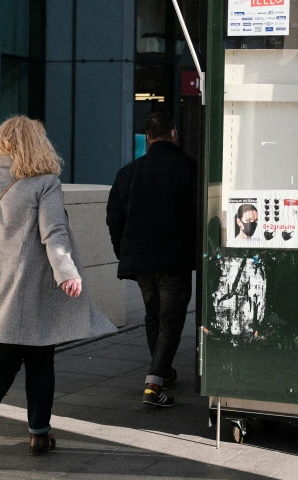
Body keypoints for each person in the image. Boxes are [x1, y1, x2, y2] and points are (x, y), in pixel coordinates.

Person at [0, 116, 116, 465]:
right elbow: (54, 233)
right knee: (40, 360)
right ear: (37, 145)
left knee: (0, 360)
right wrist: (66, 273)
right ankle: (39, 435)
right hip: (31, 288)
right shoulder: (44, 183)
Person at [106, 112, 197, 408]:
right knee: (171, 320)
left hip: (143, 261)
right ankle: (154, 384)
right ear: (173, 133)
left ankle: (164, 372)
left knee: (153, 315)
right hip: (175, 258)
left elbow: (114, 219)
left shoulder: (127, 173)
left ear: (148, 138)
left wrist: (125, 253)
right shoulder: (190, 169)